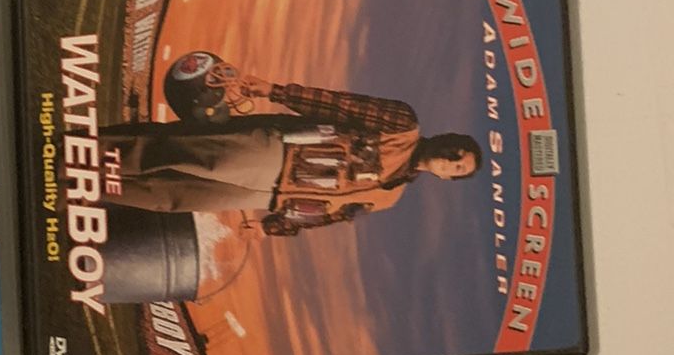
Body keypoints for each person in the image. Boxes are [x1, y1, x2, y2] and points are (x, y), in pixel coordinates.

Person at [100, 63, 481, 235]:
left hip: (269, 197)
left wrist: (276, 225)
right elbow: (339, 105)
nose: (451, 161)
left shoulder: (390, 197)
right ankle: (78, 153)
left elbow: (332, 215)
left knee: (169, 198)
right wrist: (276, 91)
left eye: (458, 168)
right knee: (166, 152)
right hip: (275, 153)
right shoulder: (403, 124)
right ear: (446, 138)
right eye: (456, 152)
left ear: (448, 179)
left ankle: (82, 190)